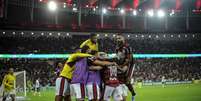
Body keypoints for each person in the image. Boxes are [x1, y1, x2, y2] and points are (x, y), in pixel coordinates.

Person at [114, 34, 136, 101]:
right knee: (121, 77)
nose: (118, 39)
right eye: (117, 38)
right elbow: (118, 57)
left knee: (127, 80)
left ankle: (133, 94)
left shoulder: (127, 47)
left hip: (130, 65)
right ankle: (122, 95)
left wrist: (122, 66)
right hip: (122, 64)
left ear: (123, 39)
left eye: (119, 38)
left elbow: (129, 59)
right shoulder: (117, 48)